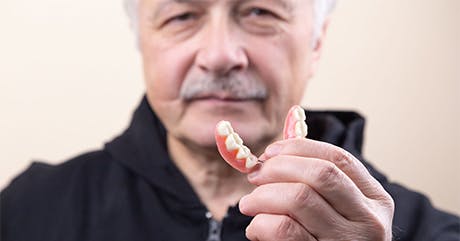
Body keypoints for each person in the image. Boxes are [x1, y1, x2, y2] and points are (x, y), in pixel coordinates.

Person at [1, 0, 459, 240]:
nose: (220, 55)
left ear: (317, 42)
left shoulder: (432, 233)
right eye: (182, 15)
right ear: (143, 41)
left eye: (260, 11)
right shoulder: (24, 214)